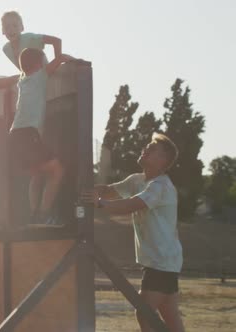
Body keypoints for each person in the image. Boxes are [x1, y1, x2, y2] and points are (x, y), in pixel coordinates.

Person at [81, 133, 185, 332]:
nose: (145, 149)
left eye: (152, 149)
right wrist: (87, 190)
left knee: (144, 312)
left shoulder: (160, 186)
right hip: (161, 261)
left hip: (161, 261)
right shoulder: (137, 180)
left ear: (162, 161)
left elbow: (131, 205)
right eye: (147, 146)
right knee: (171, 317)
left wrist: (99, 203)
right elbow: (109, 190)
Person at [8, 48, 75, 224]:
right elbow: (59, 59)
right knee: (57, 169)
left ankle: (33, 214)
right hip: (27, 132)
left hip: (15, 134)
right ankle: (44, 214)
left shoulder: (22, 81)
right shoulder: (39, 76)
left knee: (37, 174)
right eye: (44, 61)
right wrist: (71, 59)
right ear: (39, 64)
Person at [0, 10, 63, 88]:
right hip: (27, 77)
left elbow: (56, 41)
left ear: (22, 28)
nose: (11, 30)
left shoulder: (29, 38)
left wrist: (58, 64)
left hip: (43, 72)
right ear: (2, 31)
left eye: (15, 25)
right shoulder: (6, 49)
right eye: (7, 27)